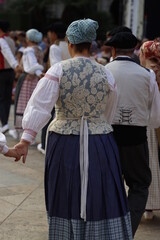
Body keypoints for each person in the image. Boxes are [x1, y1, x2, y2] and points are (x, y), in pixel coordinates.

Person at [10, 19, 132, 239]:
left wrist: (26, 139)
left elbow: (40, 105)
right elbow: (110, 112)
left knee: (66, 190)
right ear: (91, 44)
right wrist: (96, 123)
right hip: (100, 142)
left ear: (69, 43)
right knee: (99, 189)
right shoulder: (106, 73)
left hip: (65, 141)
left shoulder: (59, 70)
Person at [105, 32, 160, 236]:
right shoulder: (146, 75)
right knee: (139, 185)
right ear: (134, 50)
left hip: (107, 137)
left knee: (109, 184)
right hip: (136, 138)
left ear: (112, 51)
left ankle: (107, 229)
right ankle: (126, 230)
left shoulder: (104, 71)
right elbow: (155, 117)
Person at [37, 22, 71, 154]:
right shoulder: (70, 45)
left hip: (57, 84)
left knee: (49, 113)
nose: (48, 35)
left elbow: (57, 67)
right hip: (70, 83)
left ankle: (46, 144)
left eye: (49, 33)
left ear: (54, 33)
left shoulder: (55, 47)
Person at [139, 40, 160, 219]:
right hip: (155, 120)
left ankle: (149, 206)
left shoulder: (148, 72)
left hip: (149, 122)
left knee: (149, 161)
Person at [13, 29, 44, 139]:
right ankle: (31, 131)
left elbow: (32, 65)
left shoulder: (28, 51)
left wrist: (39, 72)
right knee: (33, 104)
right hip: (36, 80)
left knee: (22, 103)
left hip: (27, 79)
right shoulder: (39, 49)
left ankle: (22, 132)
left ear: (28, 38)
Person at [0, 21, 19, 133]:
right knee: (6, 99)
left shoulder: (1, 40)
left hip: (2, 72)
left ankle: (5, 124)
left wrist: (15, 65)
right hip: (10, 72)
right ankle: (5, 122)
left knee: (2, 99)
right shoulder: (11, 40)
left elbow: (7, 54)